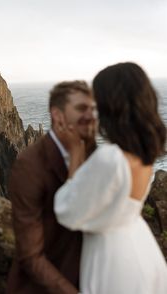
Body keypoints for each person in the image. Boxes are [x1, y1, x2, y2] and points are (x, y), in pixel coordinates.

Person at [54, 62, 167, 294]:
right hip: (142, 249)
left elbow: (67, 211)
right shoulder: (142, 153)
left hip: (113, 259)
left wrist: (75, 153)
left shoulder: (111, 158)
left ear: (110, 105)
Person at [6, 81, 97, 293]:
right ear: (58, 116)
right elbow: (31, 256)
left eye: (92, 109)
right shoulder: (29, 165)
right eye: (82, 109)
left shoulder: (90, 149)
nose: (91, 116)